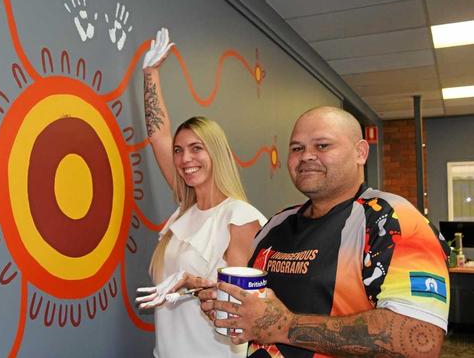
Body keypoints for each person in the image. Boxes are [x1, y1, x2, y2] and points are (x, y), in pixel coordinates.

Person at [199, 106, 450, 357]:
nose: (306, 156)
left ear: (360, 152)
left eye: (322, 146)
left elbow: (420, 340)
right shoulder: (276, 225)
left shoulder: (393, 219)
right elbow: (261, 315)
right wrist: (231, 307)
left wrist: (283, 326)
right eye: (297, 148)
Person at [137, 28, 268, 358]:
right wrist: (150, 73)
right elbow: (158, 135)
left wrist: (191, 282)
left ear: (217, 153)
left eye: (197, 148)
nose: (184, 159)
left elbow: (248, 306)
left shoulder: (239, 218)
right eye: (179, 151)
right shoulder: (185, 211)